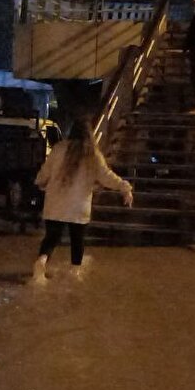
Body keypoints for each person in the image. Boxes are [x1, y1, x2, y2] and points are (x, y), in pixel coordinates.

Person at [32, 118, 133, 282]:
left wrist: (39, 182)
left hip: (55, 204)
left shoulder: (58, 149)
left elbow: (45, 172)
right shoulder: (92, 156)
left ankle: (41, 263)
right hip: (78, 207)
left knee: (51, 238)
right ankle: (75, 273)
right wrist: (125, 187)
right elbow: (107, 177)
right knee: (77, 240)